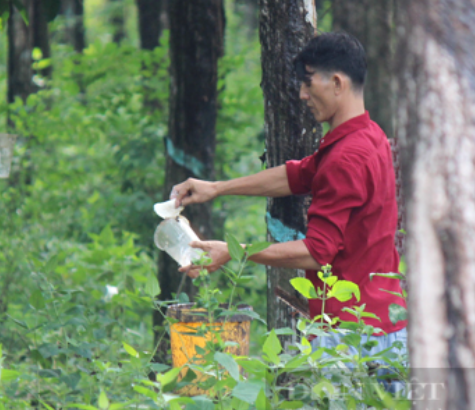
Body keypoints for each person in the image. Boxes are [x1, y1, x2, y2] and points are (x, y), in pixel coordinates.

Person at [170, 32, 407, 360]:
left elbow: (316, 252)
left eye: (309, 84)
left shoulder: (346, 157)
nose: (302, 94)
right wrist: (217, 188)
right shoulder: (368, 136)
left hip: (352, 339)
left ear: (337, 83)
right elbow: (297, 175)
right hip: (383, 327)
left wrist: (234, 252)